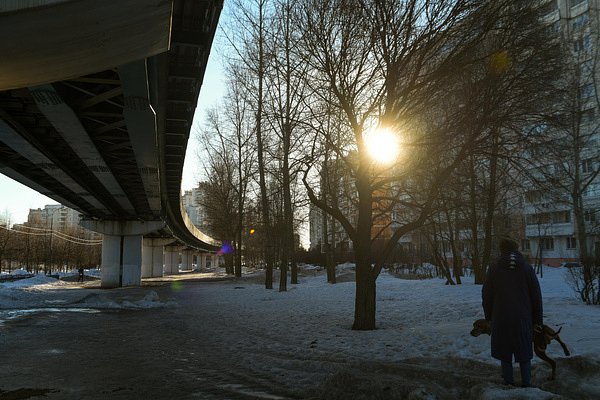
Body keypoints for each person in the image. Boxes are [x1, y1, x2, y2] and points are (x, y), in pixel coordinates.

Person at [482, 237, 543, 387]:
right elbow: (536, 296)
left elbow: (486, 295)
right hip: (523, 317)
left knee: (505, 350)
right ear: (516, 249)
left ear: (501, 250)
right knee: (524, 349)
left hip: (501, 316)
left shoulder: (494, 268)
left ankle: (508, 382)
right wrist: (537, 321)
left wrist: (489, 317)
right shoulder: (527, 268)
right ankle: (526, 383)